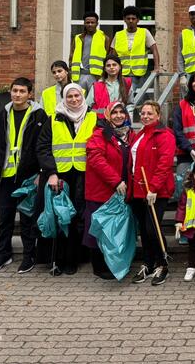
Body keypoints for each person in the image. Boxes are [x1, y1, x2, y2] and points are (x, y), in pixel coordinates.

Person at [0, 77, 47, 275]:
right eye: (14, 90)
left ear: (29, 94)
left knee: (27, 218)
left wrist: (42, 172)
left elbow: (43, 146)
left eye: (22, 91)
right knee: (5, 218)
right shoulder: (2, 114)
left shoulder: (39, 116)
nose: (17, 94)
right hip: (6, 176)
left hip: (28, 177)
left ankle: (29, 255)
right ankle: (3, 254)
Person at [36, 83, 99, 276]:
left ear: (82, 97)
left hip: (84, 174)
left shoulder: (93, 116)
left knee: (78, 216)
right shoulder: (54, 118)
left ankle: (74, 259)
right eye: (70, 96)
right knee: (60, 217)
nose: (73, 100)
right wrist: (51, 173)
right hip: (60, 175)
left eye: (77, 96)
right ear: (64, 98)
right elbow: (43, 147)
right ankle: (58, 259)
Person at [128, 100, 176, 286]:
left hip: (156, 191)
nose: (145, 116)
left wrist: (154, 188)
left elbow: (164, 164)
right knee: (144, 231)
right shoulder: (139, 134)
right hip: (138, 190)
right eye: (143, 113)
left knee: (152, 228)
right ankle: (147, 264)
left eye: (150, 113)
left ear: (158, 116)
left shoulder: (165, 135)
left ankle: (162, 264)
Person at [83, 101, 131, 280]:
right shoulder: (99, 135)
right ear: (107, 115)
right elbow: (96, 160)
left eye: (122, 112)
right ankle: (100, 267)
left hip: (118, 193)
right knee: (100, 230)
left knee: (114, 231)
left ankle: (115, 264)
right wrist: (116, 180)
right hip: (101, 191)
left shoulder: (127, 135)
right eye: (115, 112)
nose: (118, 115)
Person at [111, 5, 161, 92]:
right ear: (124, 19)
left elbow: (154, 50)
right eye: (128, 18)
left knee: (138, 97)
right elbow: (112, 55)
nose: (131, 21)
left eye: (133, 18)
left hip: (140, 73)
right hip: (122, 73)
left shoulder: (144, 32)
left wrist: (156, 68)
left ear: (138, 20)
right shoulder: (118, 35)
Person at [69, 11, 111, 93]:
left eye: (92, 22)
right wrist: (70, 71)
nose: (90, 24)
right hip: (79, 75)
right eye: (87, 22)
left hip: (96, 76)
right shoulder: (78, 38)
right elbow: (71, 56)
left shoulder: (104, 38)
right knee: (79, 99)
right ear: (84, 23)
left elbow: (108, 56)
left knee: (95, 99)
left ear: (97, 23)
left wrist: (105, 75)